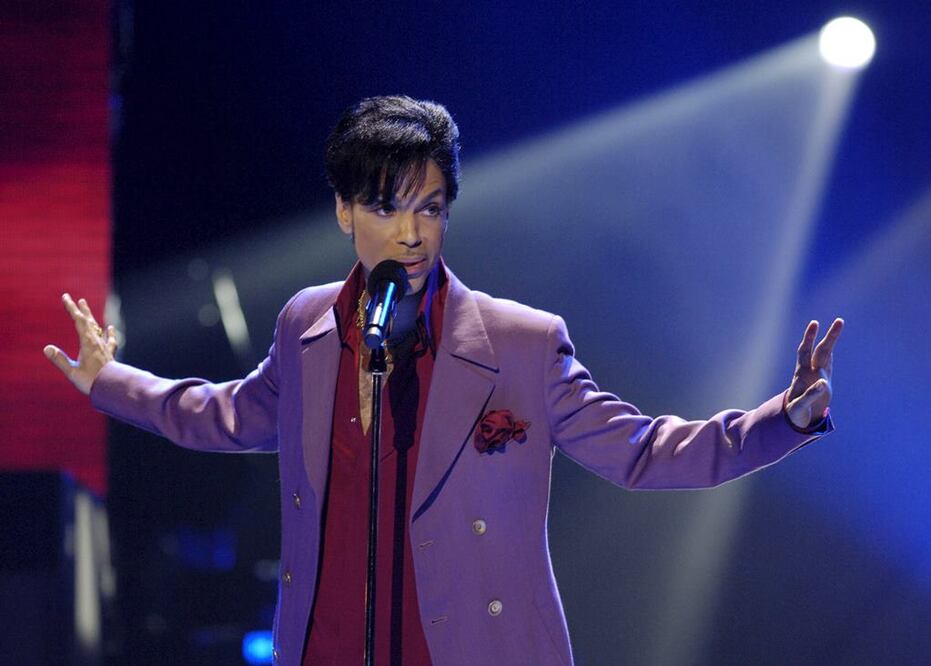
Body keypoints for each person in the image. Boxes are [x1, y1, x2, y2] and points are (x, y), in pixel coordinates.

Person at [44, 95, 843, 666]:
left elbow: (641, 451)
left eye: (429, 208)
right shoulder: (306, 325)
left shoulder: (520, 343)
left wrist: (785, 419)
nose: (410, 232)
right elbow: (225, 416)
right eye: (388, 207)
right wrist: (109, 380)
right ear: (343, 211)